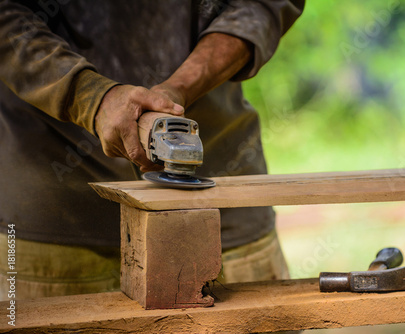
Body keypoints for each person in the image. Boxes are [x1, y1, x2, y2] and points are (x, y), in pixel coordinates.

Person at [0, 0, 304, 299]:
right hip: (54, 215)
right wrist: (91, 97)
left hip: (222, 212)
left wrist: (177, 90)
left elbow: (263, 4)